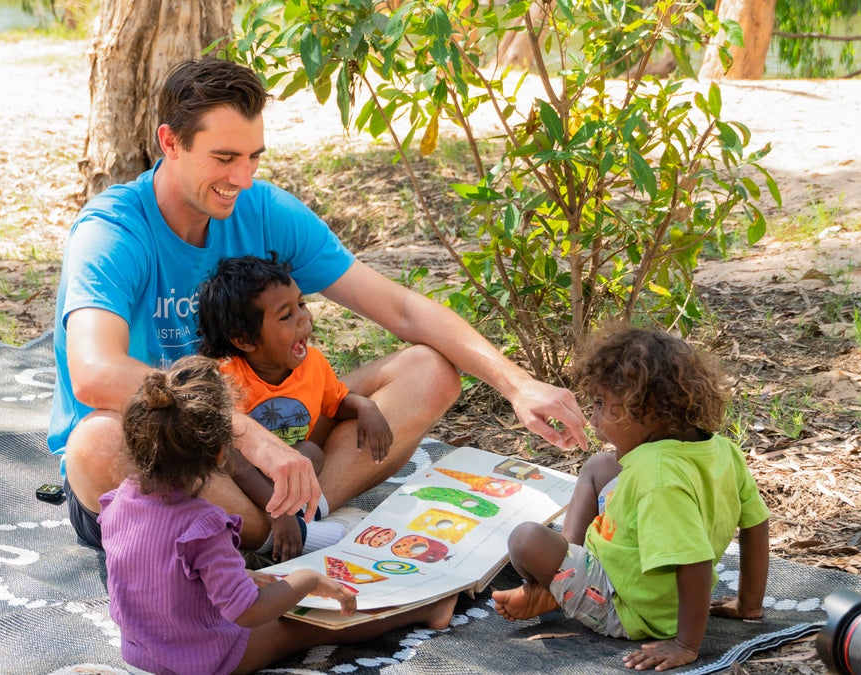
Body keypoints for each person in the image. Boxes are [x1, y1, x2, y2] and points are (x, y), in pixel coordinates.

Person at [49, 56, 588, 551]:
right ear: (170, 142)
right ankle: (280, 531)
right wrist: (246, 435)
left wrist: (518, 385)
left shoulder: (264, 209)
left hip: (272, 435)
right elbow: (94, 374)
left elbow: (400, 310)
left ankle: (296, 522)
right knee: (96, 444)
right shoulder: (112, 231)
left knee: (430, 370)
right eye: (224, 158)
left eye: (253, 157)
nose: (242, 178)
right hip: (179, 452)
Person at [99, 355, 457, 675]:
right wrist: (307, 581)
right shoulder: (203, 526)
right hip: (207, 660)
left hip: (141, 653)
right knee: (305, 626)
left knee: (264, 587)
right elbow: (248, 612)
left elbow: (157, 573)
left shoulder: (118, 501)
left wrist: (242, 577)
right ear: (222, 452)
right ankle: (423, 610)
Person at [491, 326, 770, 672]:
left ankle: (555, 584)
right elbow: (756, 525)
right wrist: (748, 604)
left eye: (601, 405)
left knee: (525, 539)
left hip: (625, 606)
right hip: (646, 585)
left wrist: (685, 644)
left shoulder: (657, 479)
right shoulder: (722, 451)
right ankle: (563, 573)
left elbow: (694, 561)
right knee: (598, 467)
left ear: (647, 410)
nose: (593, 420)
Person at [197, 254, 392, 562]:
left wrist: (365, 406)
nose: (303, 318)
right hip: (239, 479)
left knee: (311, 452)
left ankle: (299, 521)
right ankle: (279, 529)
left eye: (301, 304)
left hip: (287, 474)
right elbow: (233, 459)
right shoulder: (226, 377)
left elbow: (336, 401)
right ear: (245, 339)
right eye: (286, 316)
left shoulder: (313, 364)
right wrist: (277, 511)